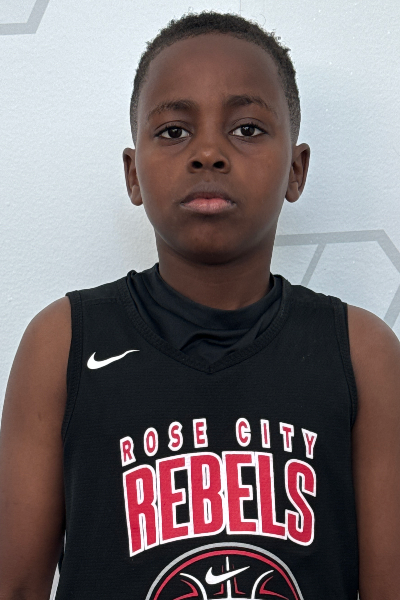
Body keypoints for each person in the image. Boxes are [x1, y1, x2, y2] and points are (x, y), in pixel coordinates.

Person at [0, 9, 399, 600]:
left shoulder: (361, 354)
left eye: (247, 129)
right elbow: (15, 585)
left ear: (296, 170)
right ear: (133, 175)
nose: (209, 152)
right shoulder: (63, 342)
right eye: (173, 132)